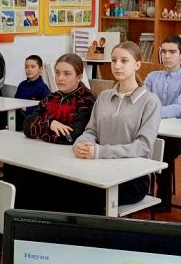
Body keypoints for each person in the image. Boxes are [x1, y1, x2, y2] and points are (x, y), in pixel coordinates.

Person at [69, 41, 161, 214]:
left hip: (132, 178)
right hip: (99, 169)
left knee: (81, 196)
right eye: (113, 60)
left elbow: (143, 147)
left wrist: (99, 151)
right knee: (59, 187)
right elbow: (91, 131)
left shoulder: (150, 101)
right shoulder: (104, 96)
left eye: (124, 61)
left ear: (137, 65)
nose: (117, 66)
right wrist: (80, 144)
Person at [4, 53, 96, 210]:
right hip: (45, 155)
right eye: (57, 73)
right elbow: (27, 126)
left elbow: (70, 137)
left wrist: (40, 128)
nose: (60, 78)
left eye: (67, 74)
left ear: (79, 77)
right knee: (13, 169)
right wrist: (50, 124)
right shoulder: (52, 97)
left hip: (69, 163)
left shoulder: (86, 100)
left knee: (37, 183)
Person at [144, 34, 181, 212]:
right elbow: (142, 102)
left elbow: (180, 108)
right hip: (154, 129)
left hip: (180, 135)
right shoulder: (152, 76)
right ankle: (138, 192)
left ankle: (163, 200)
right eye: (164, 51)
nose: (167, 56)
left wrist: (151, 113)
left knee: (162, 149)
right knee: (134, 143)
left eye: (172, 52)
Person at [13, 54, 51, 129]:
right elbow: (15, 101)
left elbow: (46, 108)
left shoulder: (42, 87)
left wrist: (26, 109)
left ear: (40, 69)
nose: (29, 69)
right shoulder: (22, 84)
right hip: (17, 117)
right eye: (26, 67)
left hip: (31, 122)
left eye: (33, 67)